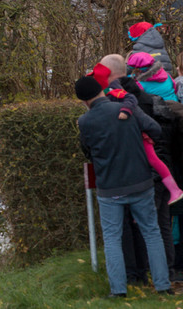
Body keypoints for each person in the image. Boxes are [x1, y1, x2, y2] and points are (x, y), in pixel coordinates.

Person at [75, 75, 173, 297]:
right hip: (141, 182)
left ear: (84, 101)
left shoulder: (85, 121)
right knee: (151, 232)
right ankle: (163, 286)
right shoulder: (127, 108)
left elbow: (87, 151)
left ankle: (118, 290)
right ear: (101, 90)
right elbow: (155, 130)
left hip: (109, 187)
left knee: (112, 238)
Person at [100, 54, 178, 286]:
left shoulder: (119, 100)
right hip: (160, 167)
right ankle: (166, 276)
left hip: (139, 172)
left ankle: (138, 276)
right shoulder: (149, 96)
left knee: (137, 228)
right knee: (160, 226)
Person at [89, 62, 183, 204]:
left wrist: (126, 111)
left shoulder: (114, 91)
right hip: (138, 134)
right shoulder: (113, 92)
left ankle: (174, 189)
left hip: (141, 134)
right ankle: (172, 189)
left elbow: (129, 100)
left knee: (153, 159)